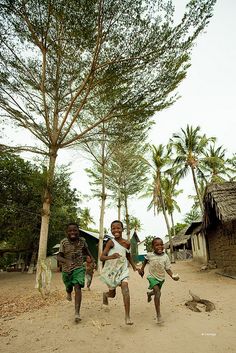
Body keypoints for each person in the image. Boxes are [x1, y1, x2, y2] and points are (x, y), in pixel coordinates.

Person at [100, 220, 138, 325]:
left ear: (122, 229)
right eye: (113, 228)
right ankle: (105, 295)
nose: (116, 230)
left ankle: (127, 316)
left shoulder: (127, 243)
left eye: (118, 228)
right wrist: (112, 256)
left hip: (123, 269)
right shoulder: (110, 242)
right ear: (111, 230)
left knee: (125, 289)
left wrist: (134, 267)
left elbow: (128, 255)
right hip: (111, 271)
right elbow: (102, 257)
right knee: (112, 294)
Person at [57, 222, 94, 323]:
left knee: (77, 286)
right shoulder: (64, 242)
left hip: (78, 267)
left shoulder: (82, 241)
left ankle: (77, 313)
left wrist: (91, 258)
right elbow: (59, 256)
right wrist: (66, 261)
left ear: (78, 231)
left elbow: (86, 250)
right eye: (70, 231)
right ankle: (68, 292)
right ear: (67, 232)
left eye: (75, 230)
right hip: (66, 270)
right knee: (69, 286)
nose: (72, 232)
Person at [138, 237, 179, 324]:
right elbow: (145, 260)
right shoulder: (150, 255)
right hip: (152, 277)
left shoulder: (165, 257)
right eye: (157, 245)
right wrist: (142, 269)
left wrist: (173, 276)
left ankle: (149, 294)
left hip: (161, 278)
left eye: (161, 244)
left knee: (156, 292)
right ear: (153, 247)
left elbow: (167, 269)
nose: (159, 246)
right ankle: (158, 315)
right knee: (158, 293)